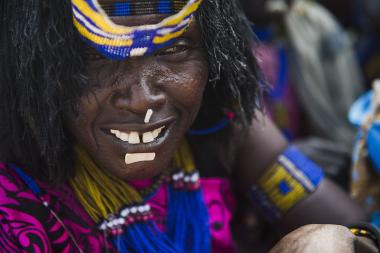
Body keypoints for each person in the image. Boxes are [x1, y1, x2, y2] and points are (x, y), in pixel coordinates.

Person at [0, 0, 375, 252]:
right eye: (95, 58)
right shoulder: (13, 203)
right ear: (39, 67)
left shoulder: (222, 130)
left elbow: (358, 232)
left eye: (173, 50)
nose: (143, 98)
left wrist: (327, 240)